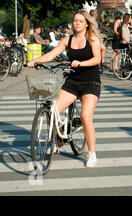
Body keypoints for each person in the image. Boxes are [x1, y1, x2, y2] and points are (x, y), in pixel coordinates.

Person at [27, 10, 102, 167]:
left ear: (87, 23)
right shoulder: (67, 40)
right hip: (72, 83)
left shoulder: (92, 38)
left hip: (91, 83)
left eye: (81, 21)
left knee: (86, 117)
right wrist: (35, 61)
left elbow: (97, 59)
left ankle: (92, 153)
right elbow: (52, 54)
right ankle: (58, 139)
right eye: (75, 20)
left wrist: (81, 63)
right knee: (51, 109)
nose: (77, 23)